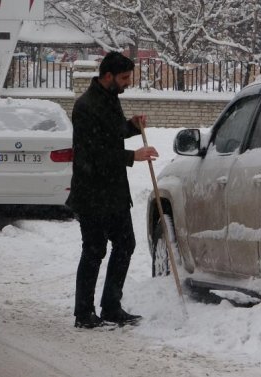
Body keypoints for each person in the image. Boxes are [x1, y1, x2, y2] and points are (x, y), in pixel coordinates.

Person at [67, 51, 159, 329]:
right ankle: (83, 314)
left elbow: (112, 132)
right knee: (94, 250)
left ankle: (110, 306)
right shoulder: (86, 106)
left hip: (114, 192)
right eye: (124, 77)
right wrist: (133, 156)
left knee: (125, 244)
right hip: (92, 191)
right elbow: (94, 152)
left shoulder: (109, 99)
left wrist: (131, 126)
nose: (128, 82)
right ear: (108, 76)